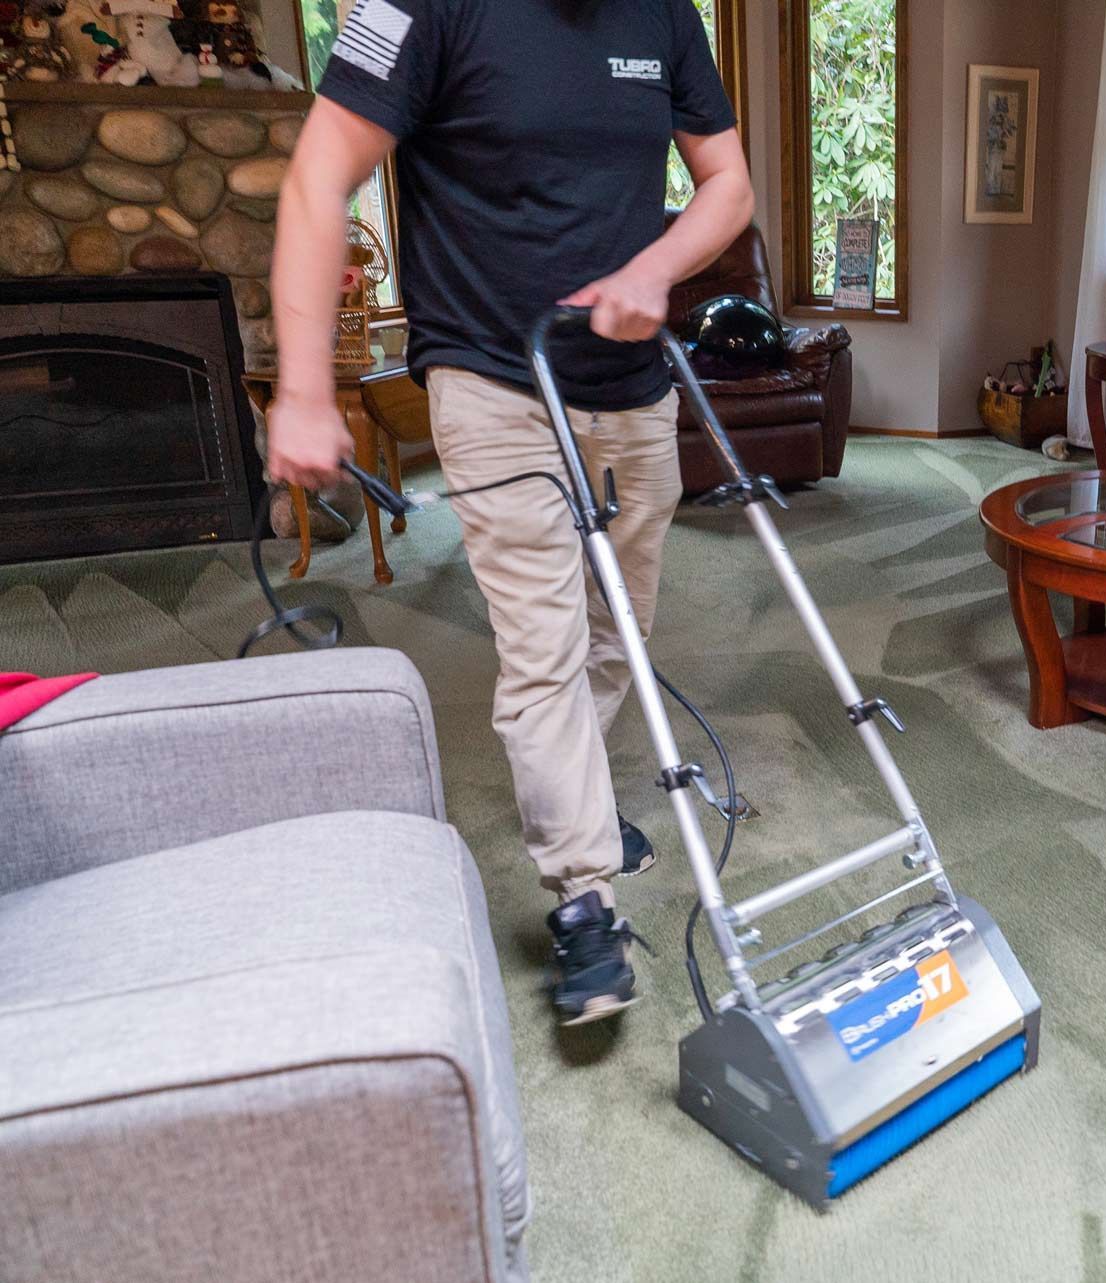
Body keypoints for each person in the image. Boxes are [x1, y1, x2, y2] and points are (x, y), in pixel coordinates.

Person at [266, 0, 754, 1026]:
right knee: (543, 642)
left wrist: (657, 267)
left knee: (618, 628)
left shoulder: (664, 11)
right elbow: (319, 175)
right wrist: (306, 388)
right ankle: (583, 892)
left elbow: (728, 183)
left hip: (631, 381)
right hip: (492, 374)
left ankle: (576, 795)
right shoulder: (417, 8)